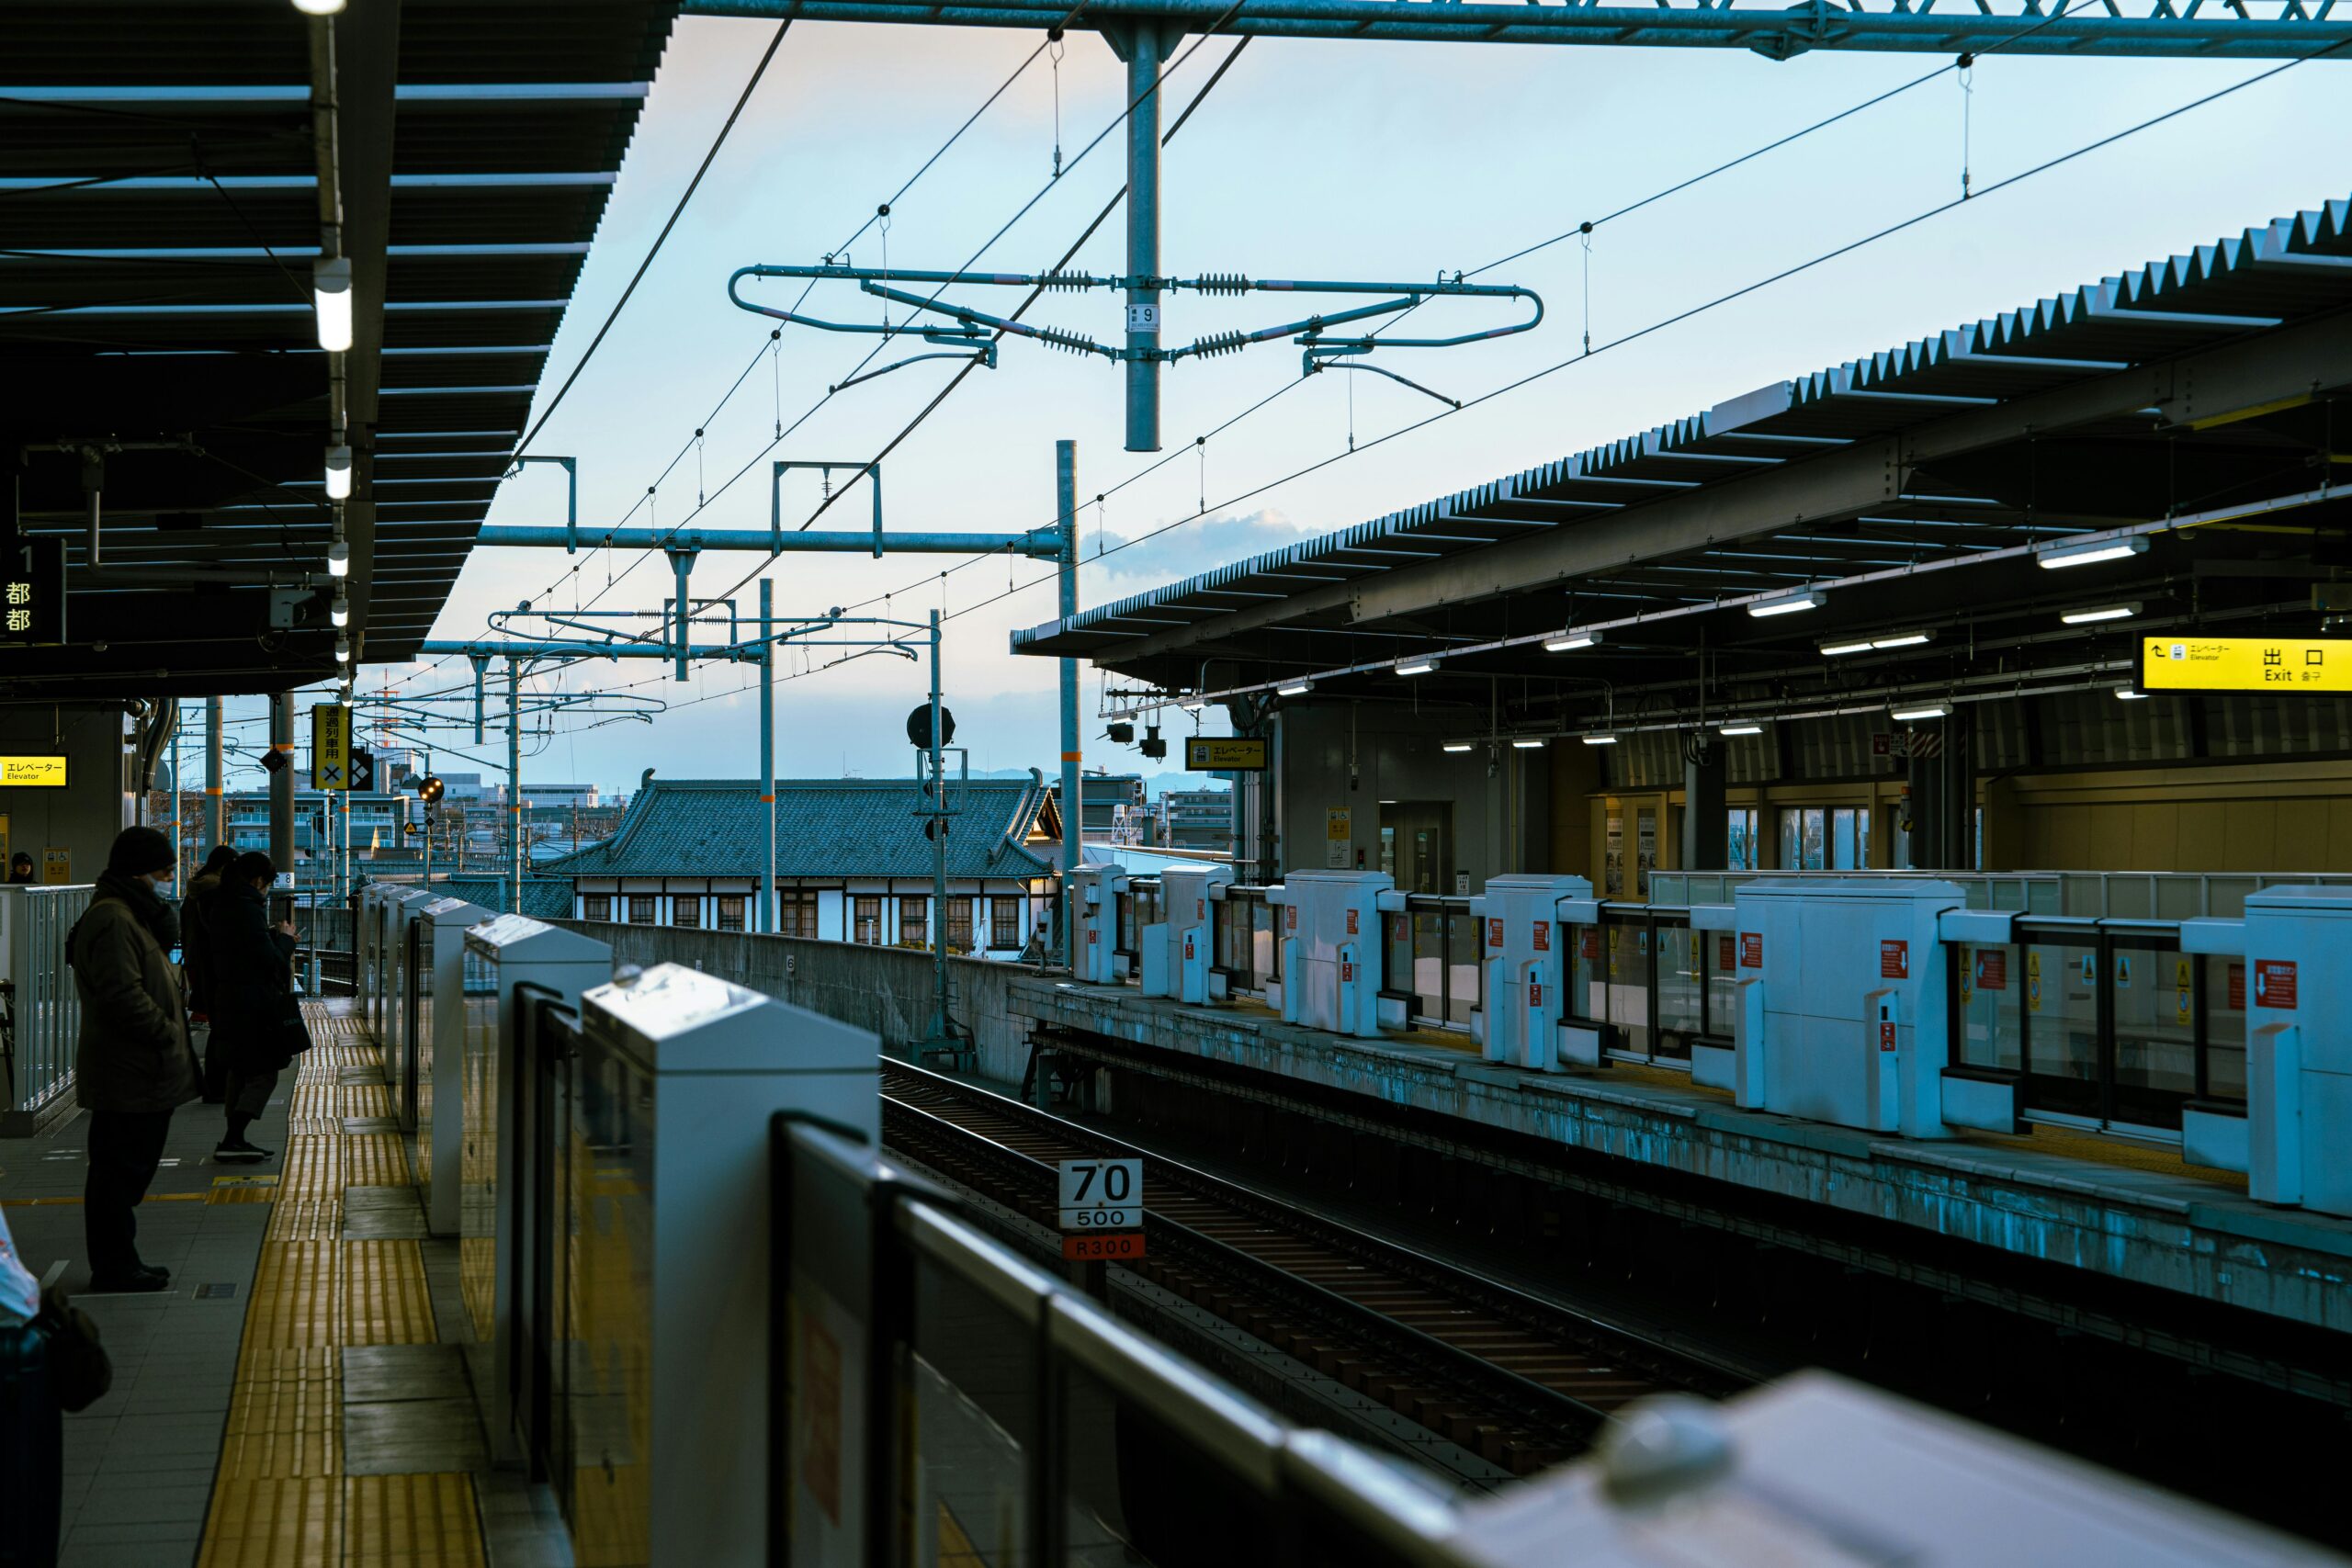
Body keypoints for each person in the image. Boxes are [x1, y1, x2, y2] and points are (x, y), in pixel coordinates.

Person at [70, 826, 198, 1292]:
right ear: (140, 872)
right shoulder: (114, 919)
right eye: (164, 870)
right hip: (127, 1068)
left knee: (124, 1170)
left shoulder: (130, 914)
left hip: (137, 1068)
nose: (169, 878)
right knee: (117, 1172)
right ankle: (114, 1266)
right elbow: (121, 993)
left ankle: (122, 1260)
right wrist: (165, 1032)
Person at [202, 851, 298, 1165]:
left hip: (229, 998)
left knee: (240, 1072)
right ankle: (234, 1136)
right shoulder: (246, 908)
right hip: (251, 1003)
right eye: (267, 884)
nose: (267, 890)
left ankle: (234, 1139)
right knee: (265, 1071)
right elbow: (268, 961)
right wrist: (285, 941)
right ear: (259, 881)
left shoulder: (221, 903)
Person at [179, 844, 239, 1104]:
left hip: (197, 957)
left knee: (218, 1024)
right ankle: (216, 1087)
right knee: (223, 1026)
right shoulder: (215, 891)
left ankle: (215, 1086)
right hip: (212, 962)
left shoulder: (195, 889)